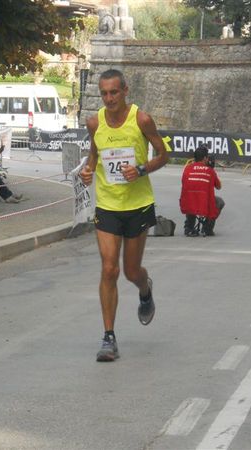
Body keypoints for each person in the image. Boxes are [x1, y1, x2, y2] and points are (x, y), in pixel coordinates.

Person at [79, 69, 169, 362]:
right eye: (104, 93)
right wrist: (88, 170)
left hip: (138, 204)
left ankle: (145, 288)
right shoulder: (95, 123)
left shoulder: (141, 120)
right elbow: (94, 154)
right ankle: (109, 338)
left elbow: (163, 154)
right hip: (107, 205)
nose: (109, 99)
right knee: (109, 269)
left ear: (125, 90)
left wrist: (141, 169)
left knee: (131, 271)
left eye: (114, 92)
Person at [180, 145, 224, 237]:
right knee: (220, 202)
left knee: (191, 197)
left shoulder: (187, 168)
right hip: (204, 203)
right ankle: (207, 228)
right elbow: (219, 187)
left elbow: (184, 183)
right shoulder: (210, 171)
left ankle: (189, 227)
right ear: (205, 158)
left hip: (188, 202)